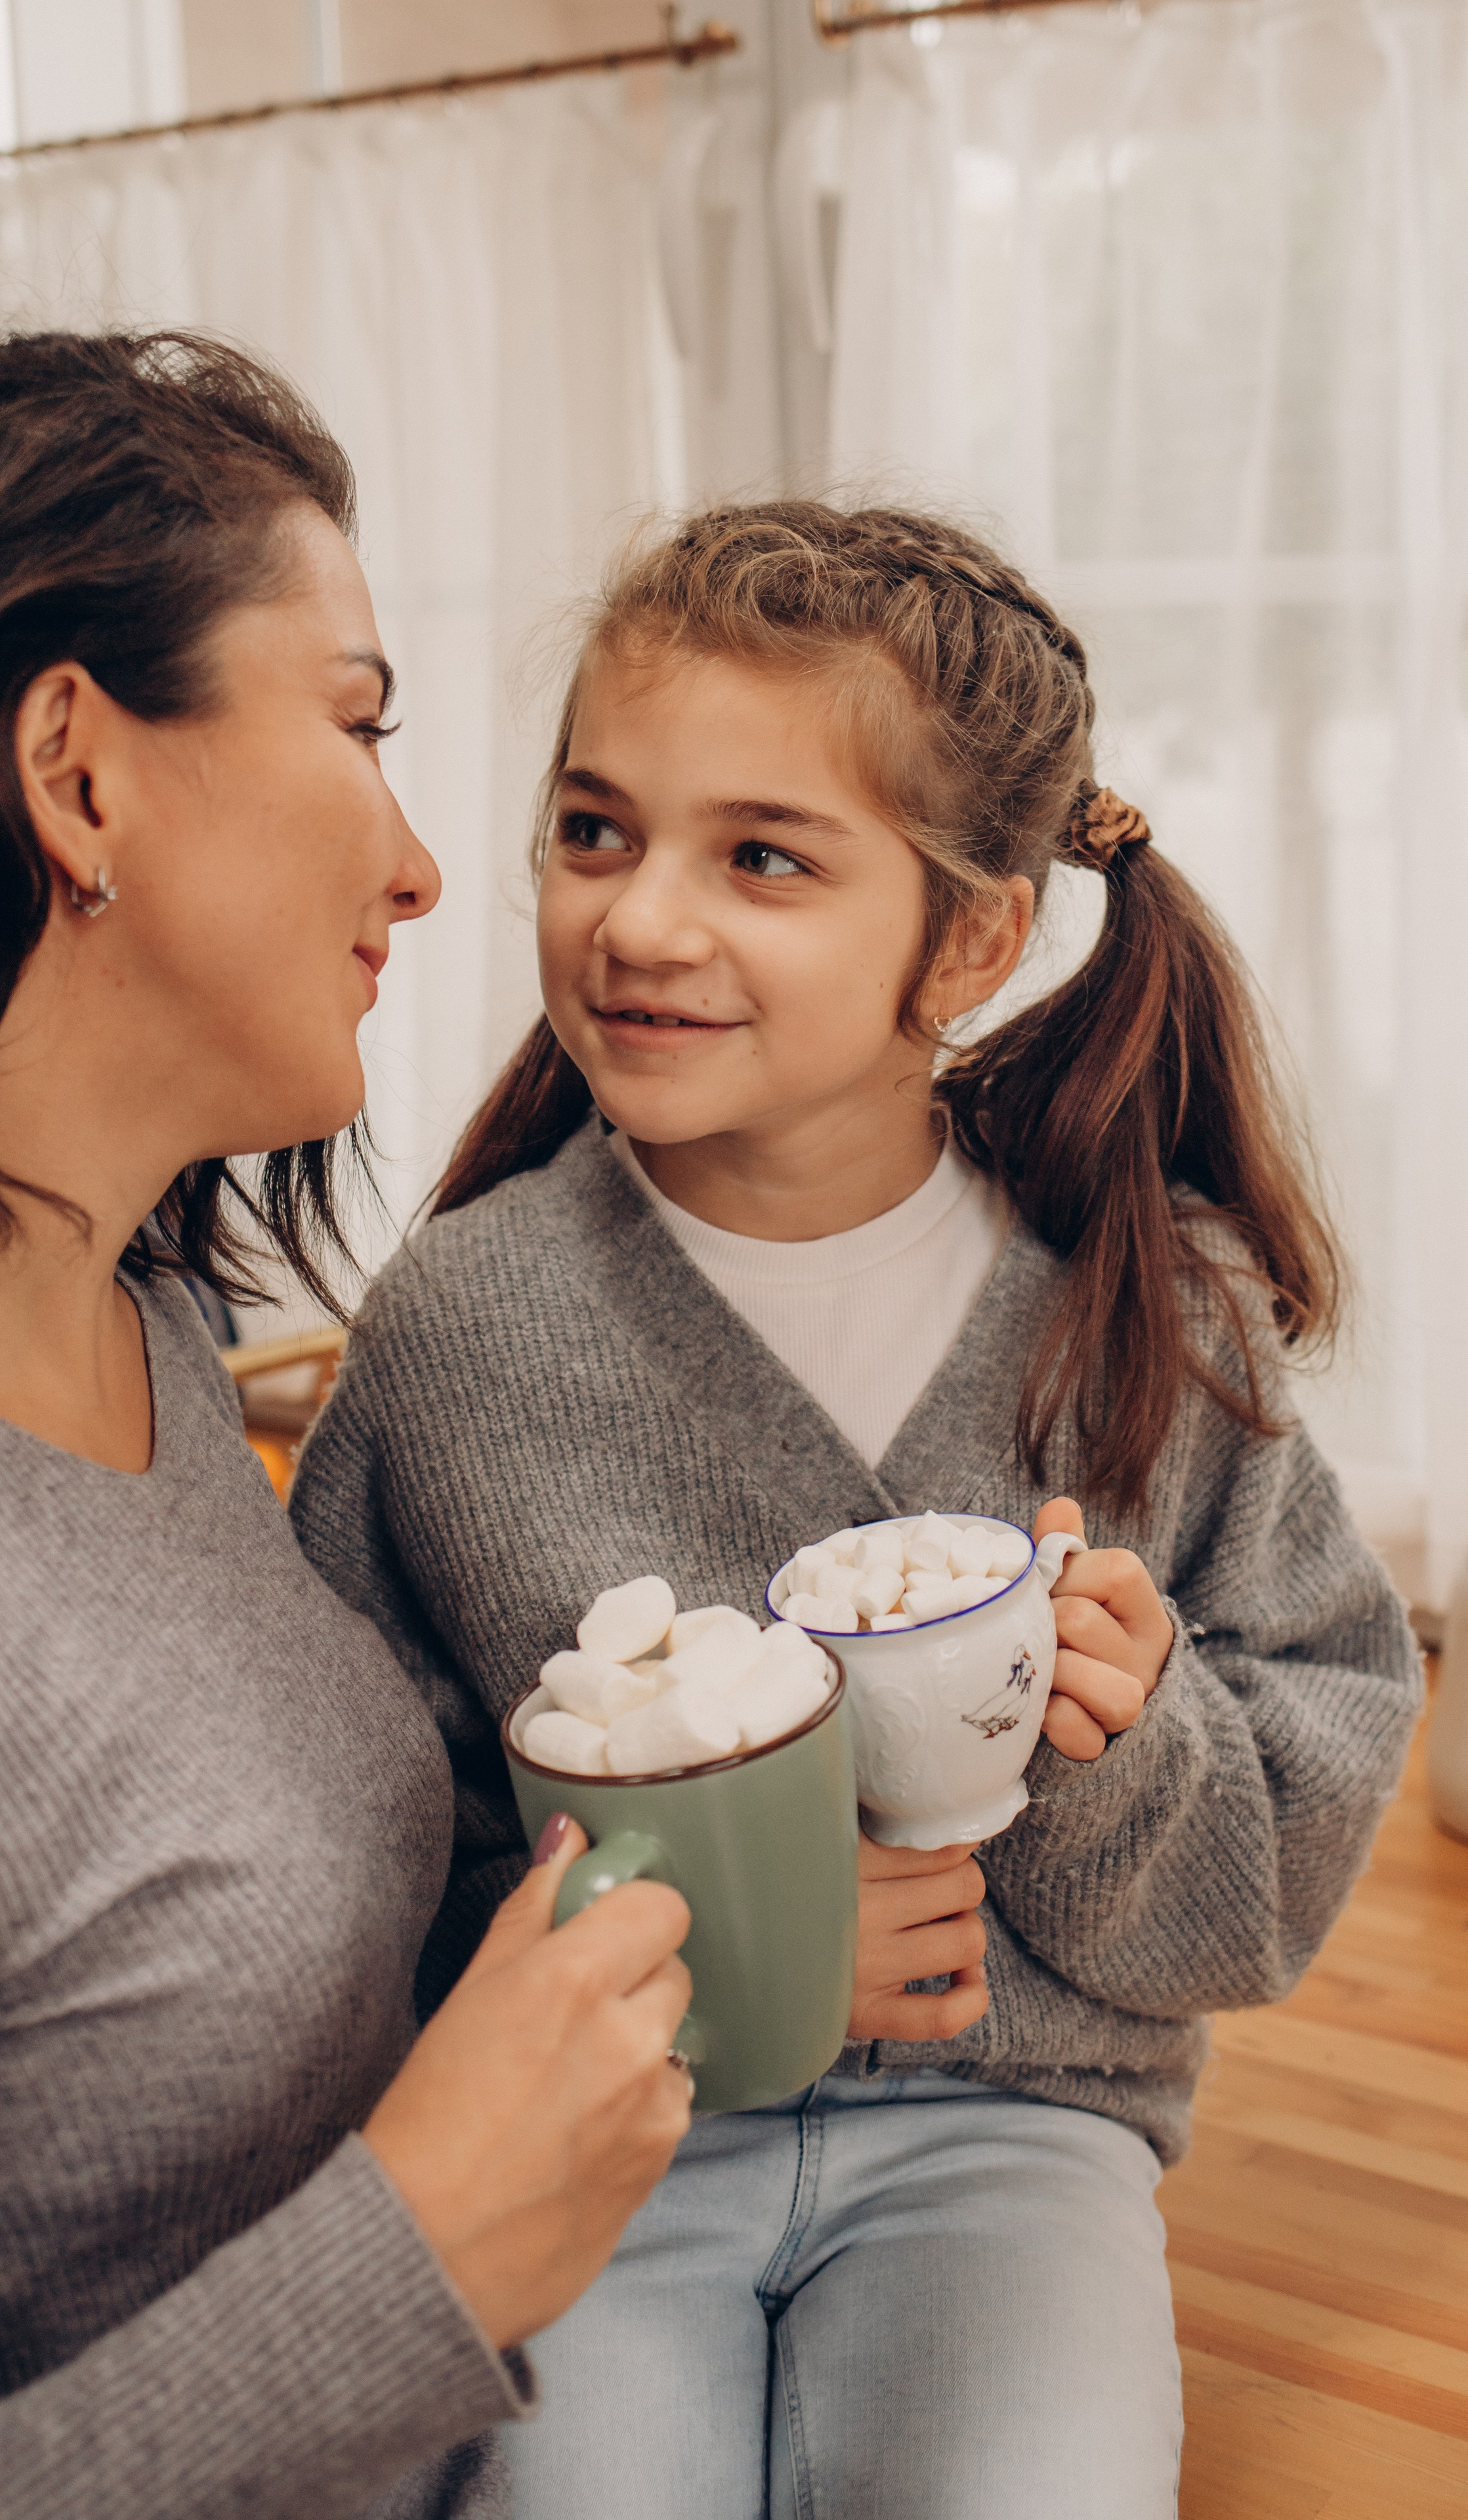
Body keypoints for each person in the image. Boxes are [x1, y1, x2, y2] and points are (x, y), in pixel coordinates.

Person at [289, 502, 1423, 2519]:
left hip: (1018, 2141)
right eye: (594, 829)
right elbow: (347, 1856)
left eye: (764, 858)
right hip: (603, 2149)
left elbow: (1253, 1897)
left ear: (971, 938)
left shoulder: (1153, 1309)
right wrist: (696, 1951)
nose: (639, 919)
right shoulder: (460, 1330)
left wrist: (1120, 1745)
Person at [0, 331, 696, 2520]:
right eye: (360, 727)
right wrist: (427, 2251)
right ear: (77, 773)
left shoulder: (140, 1315)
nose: (420, 867)